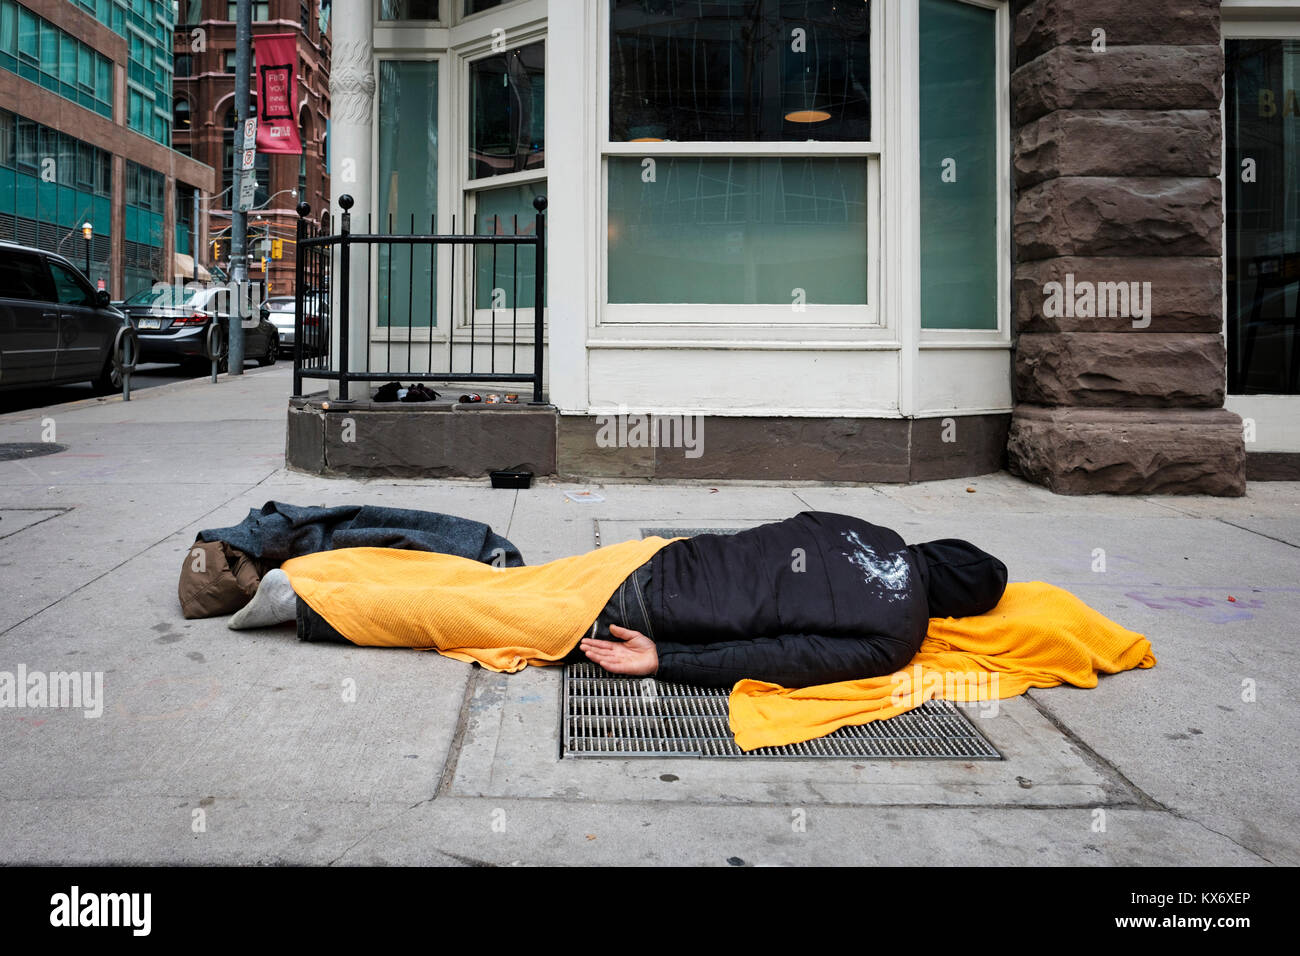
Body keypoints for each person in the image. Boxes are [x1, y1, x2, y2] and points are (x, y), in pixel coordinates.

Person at [230, 511, 1008, 689]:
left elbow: (767, 540)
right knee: (471, 615)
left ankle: (319, 570)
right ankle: (310, 597)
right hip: (652, 614)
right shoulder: (900, 635)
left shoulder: (868, 528)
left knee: (497, 591)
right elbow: (782, 658)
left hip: (653, 560)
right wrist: (666, 658)